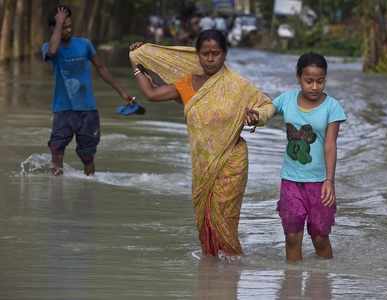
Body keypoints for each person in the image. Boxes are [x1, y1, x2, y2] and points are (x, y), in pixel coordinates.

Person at [129, 29, 275, 259]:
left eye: (215, 53)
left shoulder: (238, 86)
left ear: (225, 54)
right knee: (205, 220)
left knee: (224, 218)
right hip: (202, 164)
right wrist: (137, 62)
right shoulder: (187, 85)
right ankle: (211, 275)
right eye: (205, 53)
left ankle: (232, 268)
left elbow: (268, 105)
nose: (210, 58)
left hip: (232, 161)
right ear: (197, 55)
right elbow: (152, 93)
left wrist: (256, 115)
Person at [42, 5, 133, 176]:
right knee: (56, 149)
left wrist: (122, 92)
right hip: (63, 110)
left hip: (87, 110)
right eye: (63, 26)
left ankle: (89, 188)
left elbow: (101, 68)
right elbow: (53, 52)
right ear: (53, 28)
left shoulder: (85, 44)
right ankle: (56, 192)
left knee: (87, 155)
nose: (68, 30)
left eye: (70, 26)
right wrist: (59, 24)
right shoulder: (48, 47)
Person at [272, 52, 346, 262]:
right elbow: (266, 110)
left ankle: (322, 281)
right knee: (292, 237)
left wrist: (329, 181)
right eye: (309, 81)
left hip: (320, 183)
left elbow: (330, 145)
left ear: (325, 79)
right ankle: (292, 284)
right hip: (291, 180)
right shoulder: (286, 99)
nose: (314, 87)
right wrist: (254, 115)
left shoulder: (332, 107)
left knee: (320, 237)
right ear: (298, 78)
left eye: (320, 81)